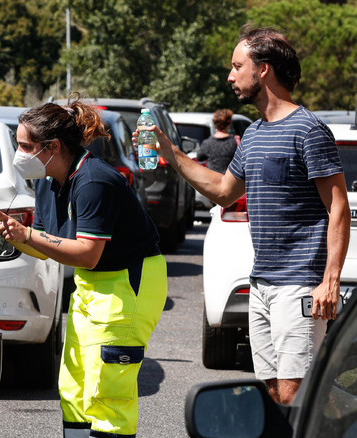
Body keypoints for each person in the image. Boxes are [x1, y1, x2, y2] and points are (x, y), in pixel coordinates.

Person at [135, 24, 350, 405]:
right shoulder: (252, 133)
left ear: (263, 69)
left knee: (295, 393)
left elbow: (338, 207)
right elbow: (222, 191)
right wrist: (170, 152)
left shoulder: (308, 129)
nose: (230, 75)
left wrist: (329, 281)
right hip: (261, 283)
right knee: (271, 391)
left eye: (237, 66)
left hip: (298, 285)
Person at [0, 96, 168, 438]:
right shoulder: (47, 180)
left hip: (128, 284)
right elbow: (44, 246)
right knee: (74, 386)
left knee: (107, 389)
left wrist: (26, 233)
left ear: (52, 146)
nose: (19, 154)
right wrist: (8, 228)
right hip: (93, 284)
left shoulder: (94, 181)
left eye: (25, 146)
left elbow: (87, 253)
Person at [196, 109, 238, 174]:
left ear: (215, 123)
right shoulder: (234, 141)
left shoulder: (207, 143)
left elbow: (199, 157)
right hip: (228, 180)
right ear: (229, 123)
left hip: (212, 180)